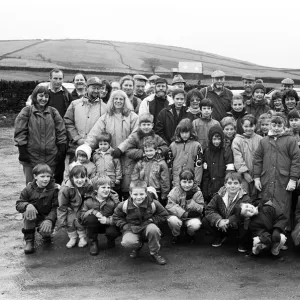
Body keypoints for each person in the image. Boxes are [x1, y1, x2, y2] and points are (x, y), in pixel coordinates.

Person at [85, 90, 139, 198]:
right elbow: (95, 134)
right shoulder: (106, 117)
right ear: (112, 100)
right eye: (116, 99)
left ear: (125, 101)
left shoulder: (132, 116)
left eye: (121, 99)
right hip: (110, 156)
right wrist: (85, 150)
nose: (118, 101)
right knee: (111, 186)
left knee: (127, 185)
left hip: (128, 156)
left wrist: (121, 148)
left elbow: (136, 134)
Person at [253, 113, 300, 231]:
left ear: (284, 125)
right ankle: (266, 233)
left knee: (283, 206)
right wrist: (257, 177)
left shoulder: (290, 140)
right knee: (266, 204)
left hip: (283, 180)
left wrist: (293, 179)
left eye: (279, 125)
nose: (276, 127)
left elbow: (296, 160)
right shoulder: (264, 141)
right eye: (274, 124)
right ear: (270, 125)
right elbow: (257, 159)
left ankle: (280, 234)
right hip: (266, 179)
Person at [14, 85, 67, 184]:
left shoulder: (53, 112)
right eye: (41, 96)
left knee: (49, 186)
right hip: (31, 157)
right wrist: (22, 151)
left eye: (46, 96)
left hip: (51, 158)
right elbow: (20, 132)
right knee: (32, 186)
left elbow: (61, 132)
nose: (44, 99)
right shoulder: (27, 111)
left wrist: (61, 150)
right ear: (35, 96)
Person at [113, 180, 169, 265]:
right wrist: (124, 226)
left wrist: (152, 220)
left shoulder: (153, 204)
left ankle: (154, 253)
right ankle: (138, 246)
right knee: (127, 242)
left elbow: (164, 215)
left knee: (153, 230)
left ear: (146, 193)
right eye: (135, 194)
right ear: (130, 193)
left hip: (147, 226)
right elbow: (116, 217)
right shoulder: (123, 205)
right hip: (131, 228)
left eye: (141, 194)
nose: (138, 197)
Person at [64, 77, 107, 172]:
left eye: (98, 88)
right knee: (74, 176)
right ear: (87, 87)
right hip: (76, 148)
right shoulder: (74, 104)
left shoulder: (105, 108)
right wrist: (77, 138)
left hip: (95, 150)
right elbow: (67, 121)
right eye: (93, 88)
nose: (96, 91)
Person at [16, 164, 59, 254]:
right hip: (33, 216)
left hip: (46, 217)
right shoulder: (28, 189)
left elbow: (56, 207)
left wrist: (49, 220)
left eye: (48, 176)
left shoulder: (55, 189)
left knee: (46, 232)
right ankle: (29, 240)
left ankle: (46, 235)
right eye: (42, 176)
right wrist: (27, 205)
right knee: (28, 214)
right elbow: (18, 204)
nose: (46, 179)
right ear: (35, 176)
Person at [202, 172, 251, 252]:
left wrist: (229, 221)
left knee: (247, 220)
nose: (232, 186)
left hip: (235, 227)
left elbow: (243, 214)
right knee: (205, 220)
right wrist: (219, 220)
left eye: (235, 183)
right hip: (221, 225)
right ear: (225, 184)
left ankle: (242, 242)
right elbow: (209, 209)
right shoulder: (218, 195)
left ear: (240, 185)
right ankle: (220, 236)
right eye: (229, 183)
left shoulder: (245, 198)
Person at [79, 176, 120, 255]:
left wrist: (107, 220)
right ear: (96, 189)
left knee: (113, 231)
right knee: (90, 218)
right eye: (103, 187)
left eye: (108, 187)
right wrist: (93, 212)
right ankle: (93, 242)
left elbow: (119, 216)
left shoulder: (114, 201)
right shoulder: (88, 201)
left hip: (108, 225)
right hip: (94, 225)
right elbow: (82, 215)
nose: (106, 190)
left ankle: (111, 239)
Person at [57, 165, 94, 249]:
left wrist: (87, 209)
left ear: (86, 177)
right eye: (76, 177)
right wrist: (61, 220)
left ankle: (82, 237)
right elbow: (62, 205)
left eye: (82, 177)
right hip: (70, 208)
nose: (80, 180)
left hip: (82, 208)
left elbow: (90, 199)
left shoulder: (89, 186)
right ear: (71, 178)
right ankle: (72, 238)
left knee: (80, 222)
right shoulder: (66, 189)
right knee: (70, 223)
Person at [166, 168, 204, 244]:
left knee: (195, 224)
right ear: (180, 182)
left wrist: (191, 202)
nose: (187, 185)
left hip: (190, 218)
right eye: (184, 182)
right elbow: (170, 206)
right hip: (178, 217)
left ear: (193, 182)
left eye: (190, 182)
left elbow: (201, 208)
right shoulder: (175, 191)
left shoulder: (197, 192)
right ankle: (176, 234)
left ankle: (190, 234)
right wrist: (184, 213)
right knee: (172, 220)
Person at [131, 136, 170, 206]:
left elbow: (165, 180)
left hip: (157, 191)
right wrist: (135, 188)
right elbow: (135, 177)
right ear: (144, 151)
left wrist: (164, 194)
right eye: (147, 151)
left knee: (155, 207)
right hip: (143, 190)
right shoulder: (140, 162)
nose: (149, 153)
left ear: (156, 150)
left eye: (151, 150)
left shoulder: (161, 163)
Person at [232, 115, 262, 201]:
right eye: (246, 126)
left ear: (255, 126)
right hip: (243, 175)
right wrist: (244, 173)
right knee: (245, 196)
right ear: (242, 126)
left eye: (251, 126)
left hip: (258, 174)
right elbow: (238, 158)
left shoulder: (260, 139)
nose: (248, 129)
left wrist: (258, 175)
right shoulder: (237, 140)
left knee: (258, 197)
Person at [202, 125, 234, 202]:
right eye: (214, 139)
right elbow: (205, 174)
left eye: (219, 139)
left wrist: (226, 187)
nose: (217, 141)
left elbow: (229, 171)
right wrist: (205, 190)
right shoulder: (207, 151)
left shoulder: (226, 150)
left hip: (223, 186)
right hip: (210, 188)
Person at [169, 118, 203, 187]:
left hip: (191, 181)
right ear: (179, 132)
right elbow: (170, 165)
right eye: (182, 132)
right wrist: (171, 181)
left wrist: (196, 182)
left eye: (186, 132)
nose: (184, 135)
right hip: (177, 181)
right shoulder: (173, 145)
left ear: (191, 132)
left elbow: (198, 166)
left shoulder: (197, 145)